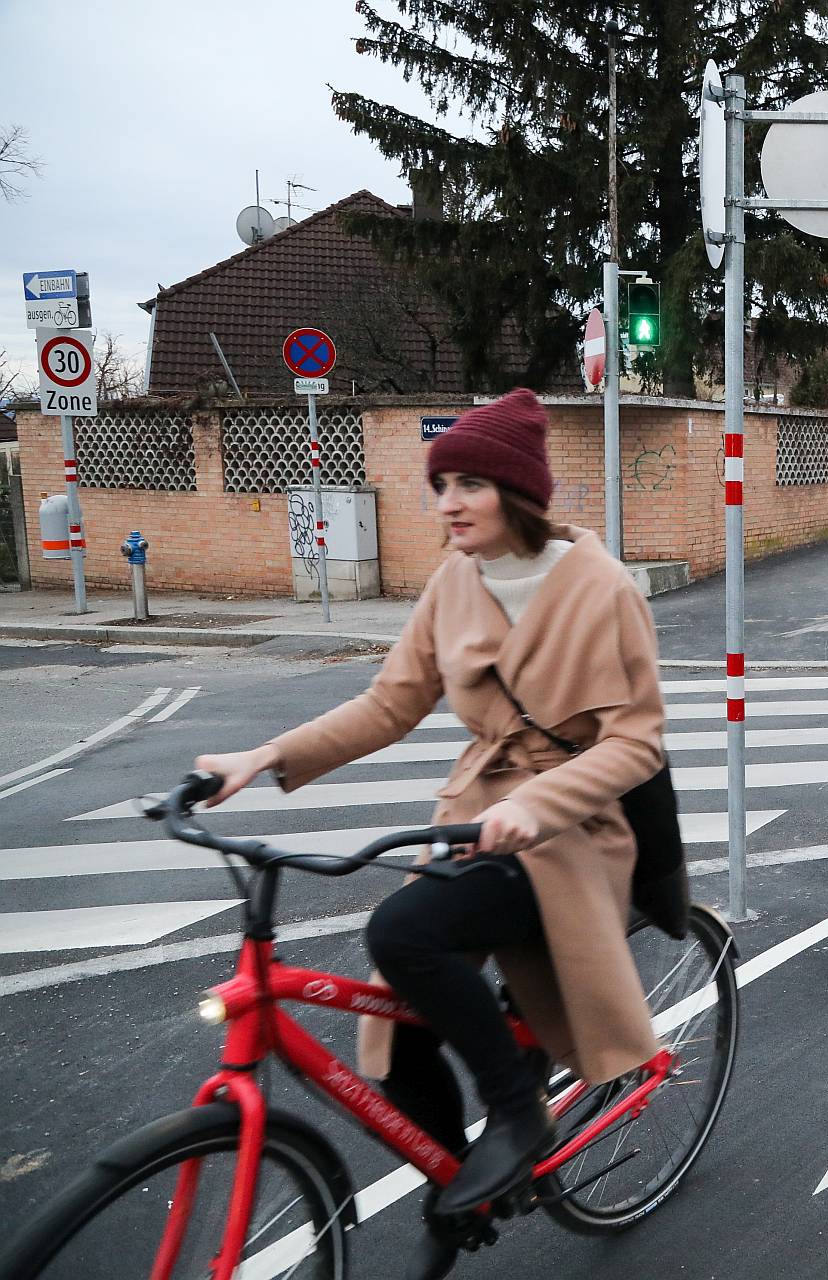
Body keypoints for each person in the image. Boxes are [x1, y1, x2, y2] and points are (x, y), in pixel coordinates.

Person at [194, 389, 668, 1279]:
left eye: (470, 483)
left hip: (571, 831)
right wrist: (264, 756)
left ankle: (516, 1116)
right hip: (476, 820)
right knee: (399, 1034)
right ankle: (460, 1191)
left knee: (401, 932)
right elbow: (390, 704)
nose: (447, 500)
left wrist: (541, 802)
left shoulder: (601, 587)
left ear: (518, 492)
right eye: (440, 482)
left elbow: (637, 740)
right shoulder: (454, 582)